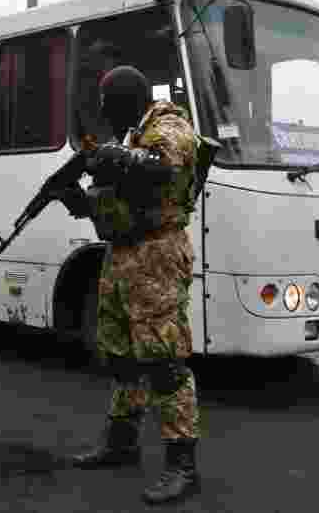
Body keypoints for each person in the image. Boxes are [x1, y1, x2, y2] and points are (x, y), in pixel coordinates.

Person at [71, 65, 209, 506]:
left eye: (109, 106)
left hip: (157, 255)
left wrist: (117, 157)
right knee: (121, 354)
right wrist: (85, 199)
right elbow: (122, 193)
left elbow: (164, 168)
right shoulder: (135, 134)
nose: (106, 116)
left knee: (165, 362)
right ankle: (122, 442)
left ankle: (182, 464)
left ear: (129, 99)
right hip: (124, 255)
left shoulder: (169, 125)